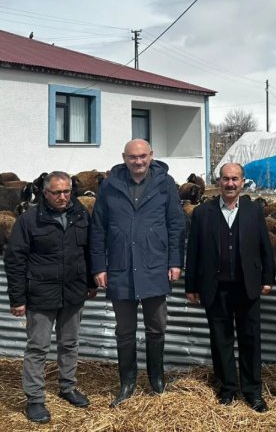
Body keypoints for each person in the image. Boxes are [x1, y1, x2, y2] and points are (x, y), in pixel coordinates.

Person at [89, 139, 185, 407]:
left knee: (157, 327)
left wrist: (175, 262)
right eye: (133, 157)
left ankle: (156, 378)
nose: (138, 161)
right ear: (124, 158)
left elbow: (176, 224)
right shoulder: (110, 185)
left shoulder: (165, 184)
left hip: (154, 264)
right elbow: (98, 228)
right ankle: (127, 382)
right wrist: (99, 266)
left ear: (151, 155)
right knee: (124, 330)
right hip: (120, 267)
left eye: (143, 156)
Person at [4, 171, 97, 424]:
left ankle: (68, 387)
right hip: (41, 294)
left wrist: (90, 282)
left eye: (67, 191)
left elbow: (89, 251)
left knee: (70, 343)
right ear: (45, 193)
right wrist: (17, 298)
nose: (62, 197)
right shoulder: (29, 220)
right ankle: (35, 399)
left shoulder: (81, 215)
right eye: (56, 192)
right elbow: (15, 261)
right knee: (38, 346)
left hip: (74, 291)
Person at [185, 163, 275, 412]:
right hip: (215, 288)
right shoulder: (203, 213)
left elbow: (264, 246)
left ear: (242, 182)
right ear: (219, 182)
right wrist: (191, 285)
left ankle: (253, 392)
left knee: (250, 339)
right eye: (226, 179)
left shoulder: (254, 210)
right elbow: (193, 250)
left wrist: (267, 277)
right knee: (220, 340)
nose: (230, 184)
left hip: (247, 286)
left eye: (235, 179)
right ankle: (227, 389)